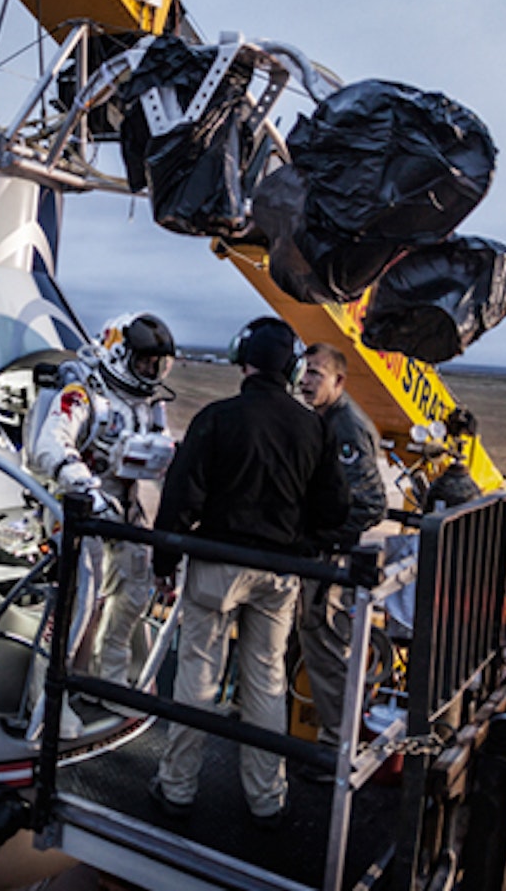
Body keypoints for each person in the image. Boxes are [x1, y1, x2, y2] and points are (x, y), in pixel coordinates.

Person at [147, 317, 350, 829]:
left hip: (217, 566)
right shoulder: (314, 427)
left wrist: (164, 561)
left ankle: (176, 788)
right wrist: (302, 540)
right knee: (267, 679)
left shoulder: (217, 418)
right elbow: (335, 510)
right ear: (291, 366)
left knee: (198, 675)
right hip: (279, 573)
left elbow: (181, 497)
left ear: (244, 359)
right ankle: (267, 799)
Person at [25, 312, 177, 734]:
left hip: (124, 509)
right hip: (77, 508)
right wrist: (85, 487)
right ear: (119, 353)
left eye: (159, 365)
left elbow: (160, 454)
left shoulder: (150, 406)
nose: (153, 372)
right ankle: (48, 696)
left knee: (132, 594)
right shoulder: (83, 393)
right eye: (147, 362)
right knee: (77, 602)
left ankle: (106, 679)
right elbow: (48, 446)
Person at [295, 342, 388, 763]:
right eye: (305, 371)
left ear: (338, 380)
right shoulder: (320, 420)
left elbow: (371, 503)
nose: (306, 380)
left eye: (316, 373)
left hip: (331, 562)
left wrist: (326, 537)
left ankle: (336, 750)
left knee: (329, 654)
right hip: (316, 556)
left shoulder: (345, 426)